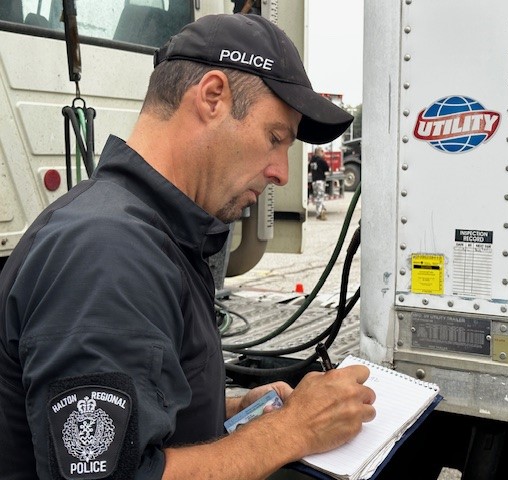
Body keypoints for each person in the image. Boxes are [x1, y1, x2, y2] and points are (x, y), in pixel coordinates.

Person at [0, 13, 376, 480]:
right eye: (275, 138)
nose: (281, 170)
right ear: (213, 97)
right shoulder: (107, 252)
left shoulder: (151, 231)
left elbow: (138, 410)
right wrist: (292, 431)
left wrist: (228, 410)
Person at [308, 146, 330, 220]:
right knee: (320, 197)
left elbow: (308, 169)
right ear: (320, 152)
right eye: (322, 151)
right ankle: (319, 213)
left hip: (314, 181)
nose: (323, 153)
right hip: (320, 181)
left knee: (317, 197)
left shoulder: (312, 161)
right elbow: (327, 168)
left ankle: (322, 210)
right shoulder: (321, 160)